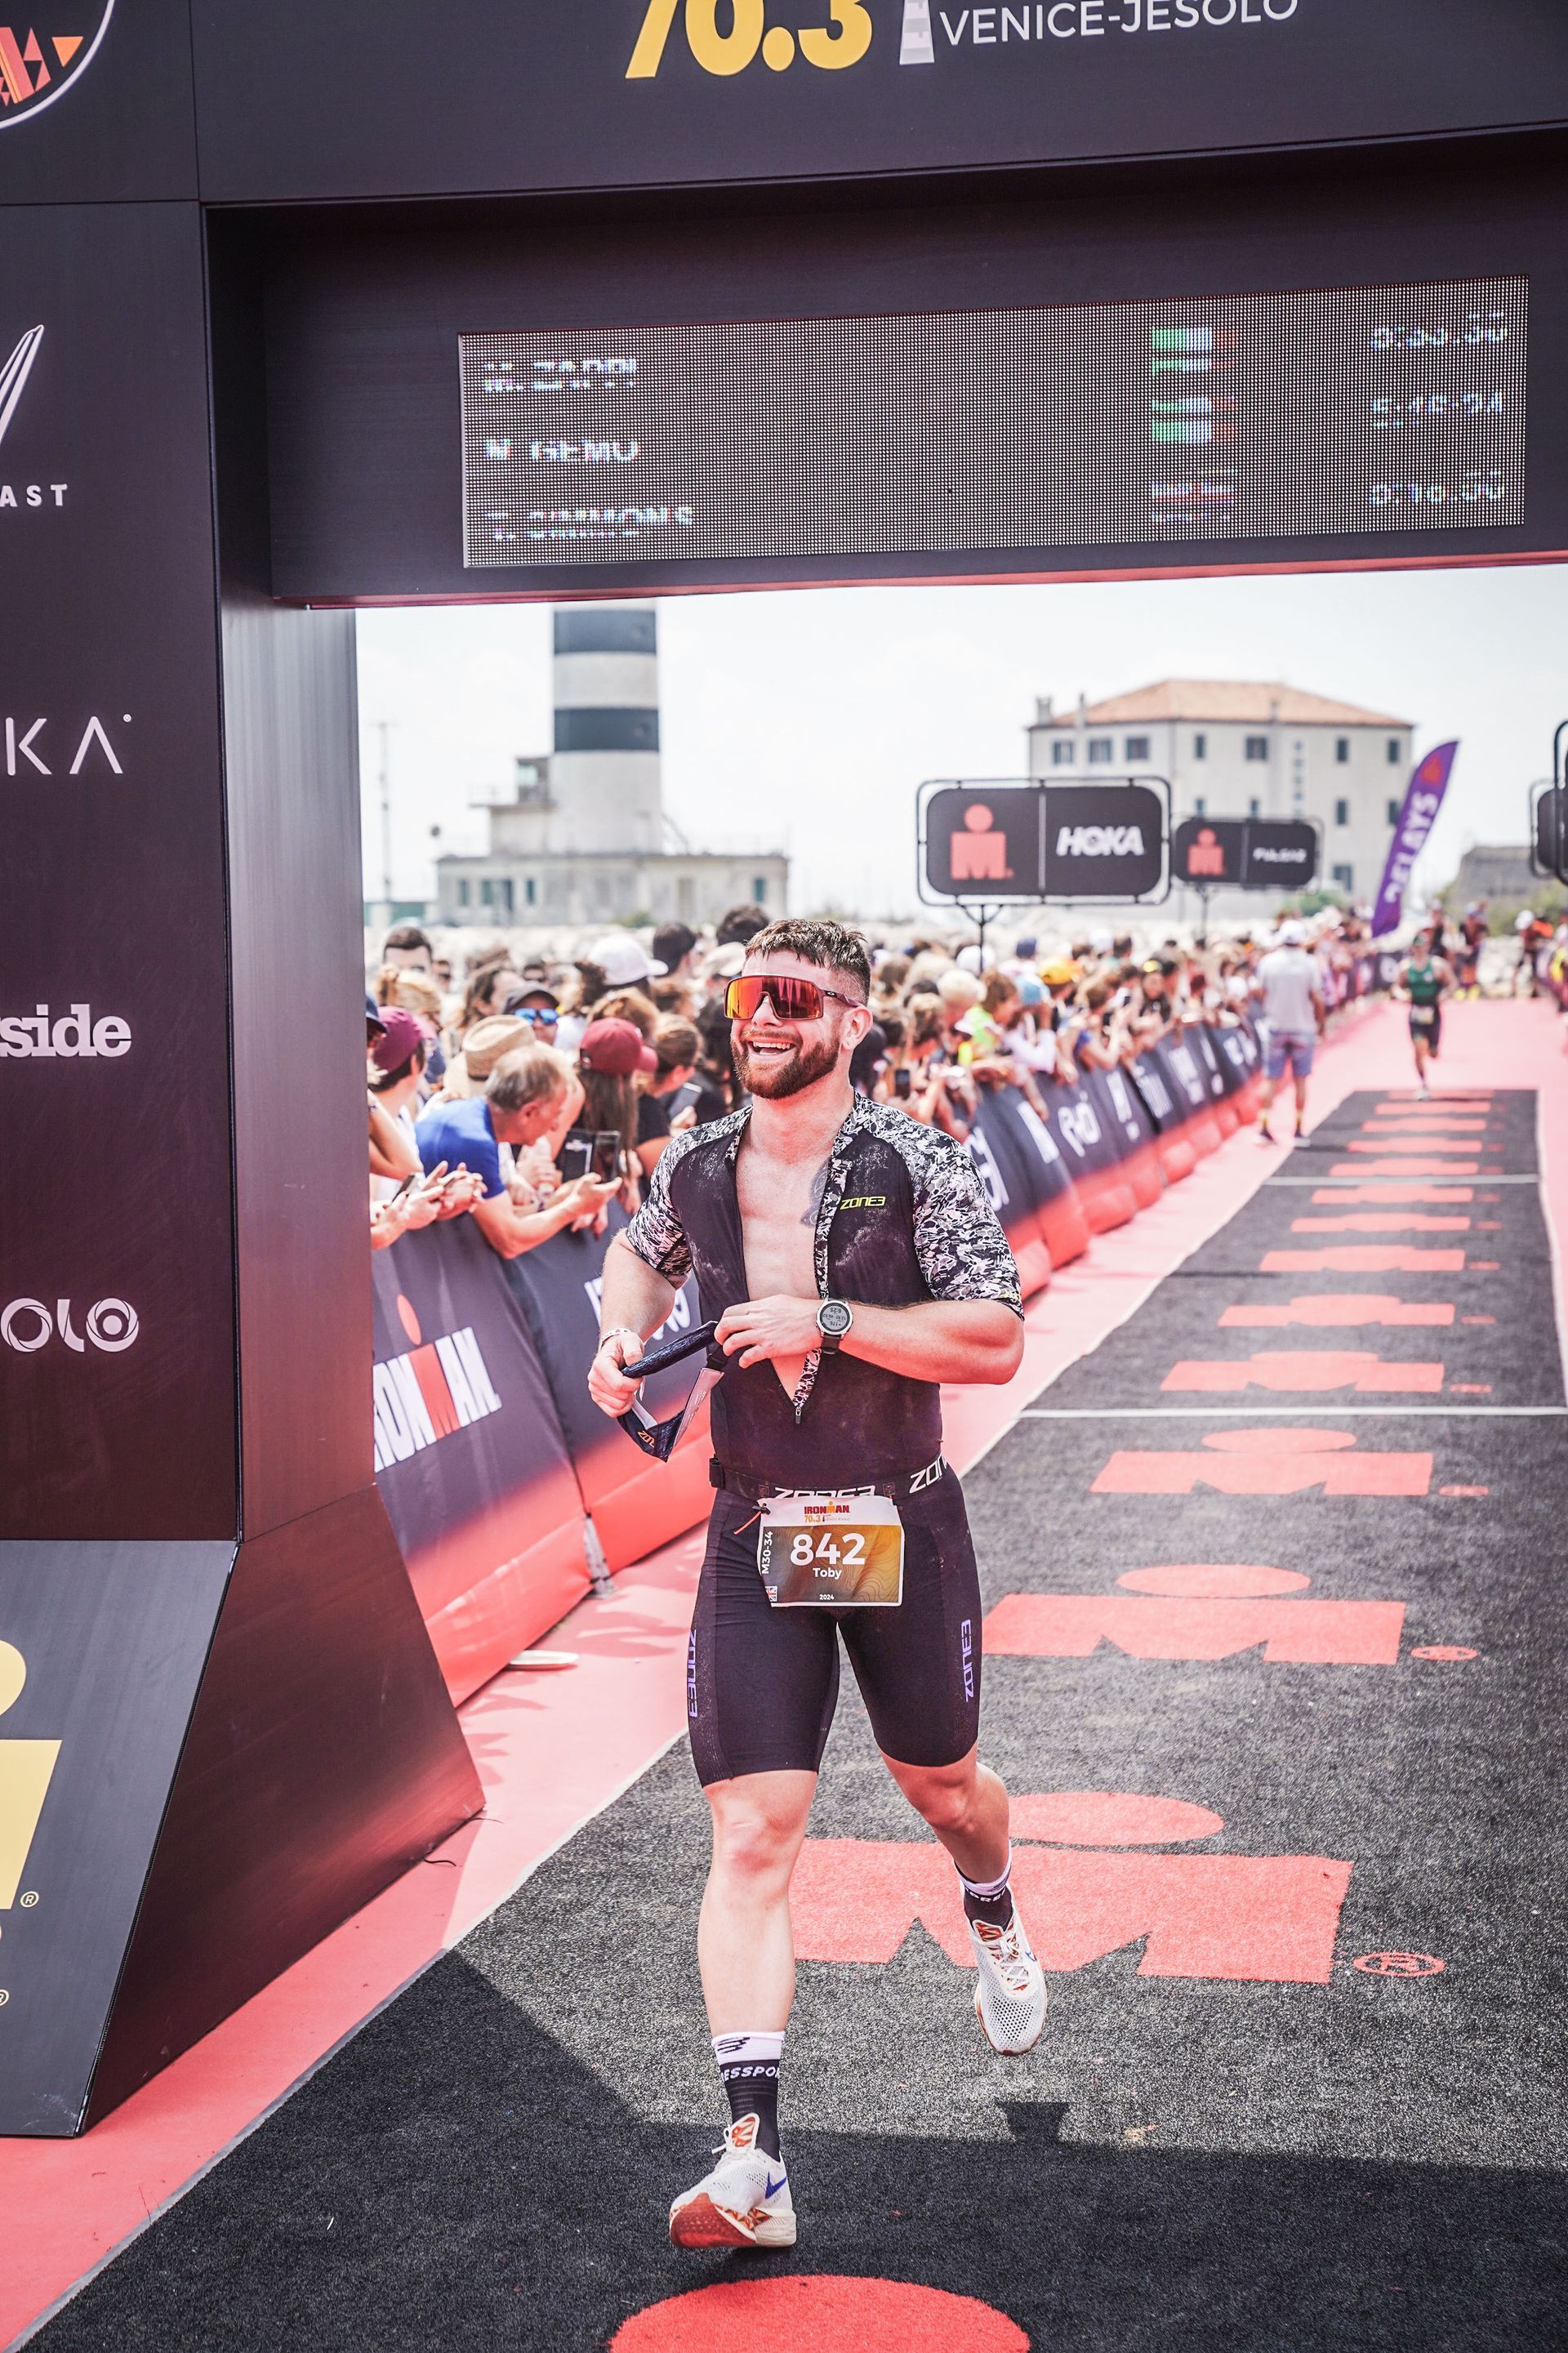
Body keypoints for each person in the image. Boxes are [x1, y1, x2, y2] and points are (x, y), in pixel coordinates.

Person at [586, 918, 1044, 2256]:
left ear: (851, 1021)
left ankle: (995, 1908)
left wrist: (826, 1320)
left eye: (793, 998)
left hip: (898, 1521)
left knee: (943, 1790)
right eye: (747, 996)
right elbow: (640, 1249)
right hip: (754, 1528)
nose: (762, 1018)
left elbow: (998, 1337)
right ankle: (753, 2161)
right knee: (751, 1836)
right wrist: (619, 1335)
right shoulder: (701, 1159)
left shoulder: (921, 1159)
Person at [415, 1046, 613, 1257]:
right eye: (556, 1114)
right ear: (528, 1112)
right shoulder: (474, 1140)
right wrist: (576, 1206)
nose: (556, 1126)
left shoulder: (477, 1120)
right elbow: (510, 1242)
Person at [1254, 919, 1325, 1143]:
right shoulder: (1309, 963)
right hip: (1302, 1027)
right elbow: (1316, 997)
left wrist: (1272, 1007)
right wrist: (1321, 1022)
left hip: (1275, 1026)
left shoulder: (1268, 962)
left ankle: (1264, 1127)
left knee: (1271, 1079)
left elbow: (1260, 992)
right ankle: (1298, 1128)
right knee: (1300, 1080)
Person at [635, 1016, 702, 1174]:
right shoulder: (647, 1110)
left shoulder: (632, 1092)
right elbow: (663, 1176)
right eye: (695, 1063)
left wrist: (670, 1132)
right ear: (678, 1072)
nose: (694, 1071)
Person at [1396, 929, 1454, 1098]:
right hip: (1416, 1012)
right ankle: (1423, 1084)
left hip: (1432, 1011)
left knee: (1433, 1053)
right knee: (1418, 1048)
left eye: (1423, 946)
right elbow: (1397, 986)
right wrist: (1402, 994)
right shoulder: (1406, 967)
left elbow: (1452, 983)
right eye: (1416, 947)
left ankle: (1433, 1048)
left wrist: (1444, 994)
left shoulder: (1438, 965)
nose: (1419, 950)